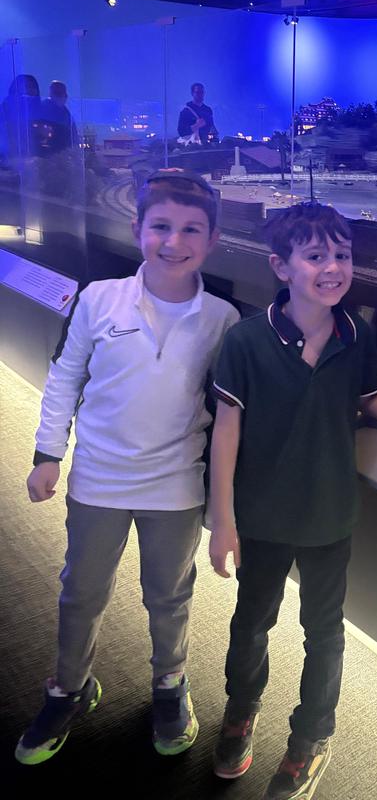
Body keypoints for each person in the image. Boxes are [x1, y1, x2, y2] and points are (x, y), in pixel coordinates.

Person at [208, 201, 377, 798]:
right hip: (262, 514)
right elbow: (226, 433)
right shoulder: (246, 341)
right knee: (252, 622)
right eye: (315, 255)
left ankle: (311, 738)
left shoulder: (356, 335)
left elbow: (371, 397)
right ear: (281, 266)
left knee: (323, 632)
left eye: (342, 255)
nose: (332, 268)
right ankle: (241, 713)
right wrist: (222, 520)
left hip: (329, 514)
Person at [15, 170, 239, 766]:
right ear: (137, 228)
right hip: (98, 478)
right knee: (81, 593)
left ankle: (170, 684)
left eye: (191, 229)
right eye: (160, 226)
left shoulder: (223, 318)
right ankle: (69, 688)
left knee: (169, 596)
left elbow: (230, 413)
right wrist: (47, 454)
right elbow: (65, 376)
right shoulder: (99, 298)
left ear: (213, 240)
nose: (174, 241)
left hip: (177, 485)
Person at [36, 80, 78, 154]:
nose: (65, 98)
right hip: (49, 153)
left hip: (61, 153)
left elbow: (73, 136)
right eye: (60, 95)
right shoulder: (45, 108)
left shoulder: (65, 112)